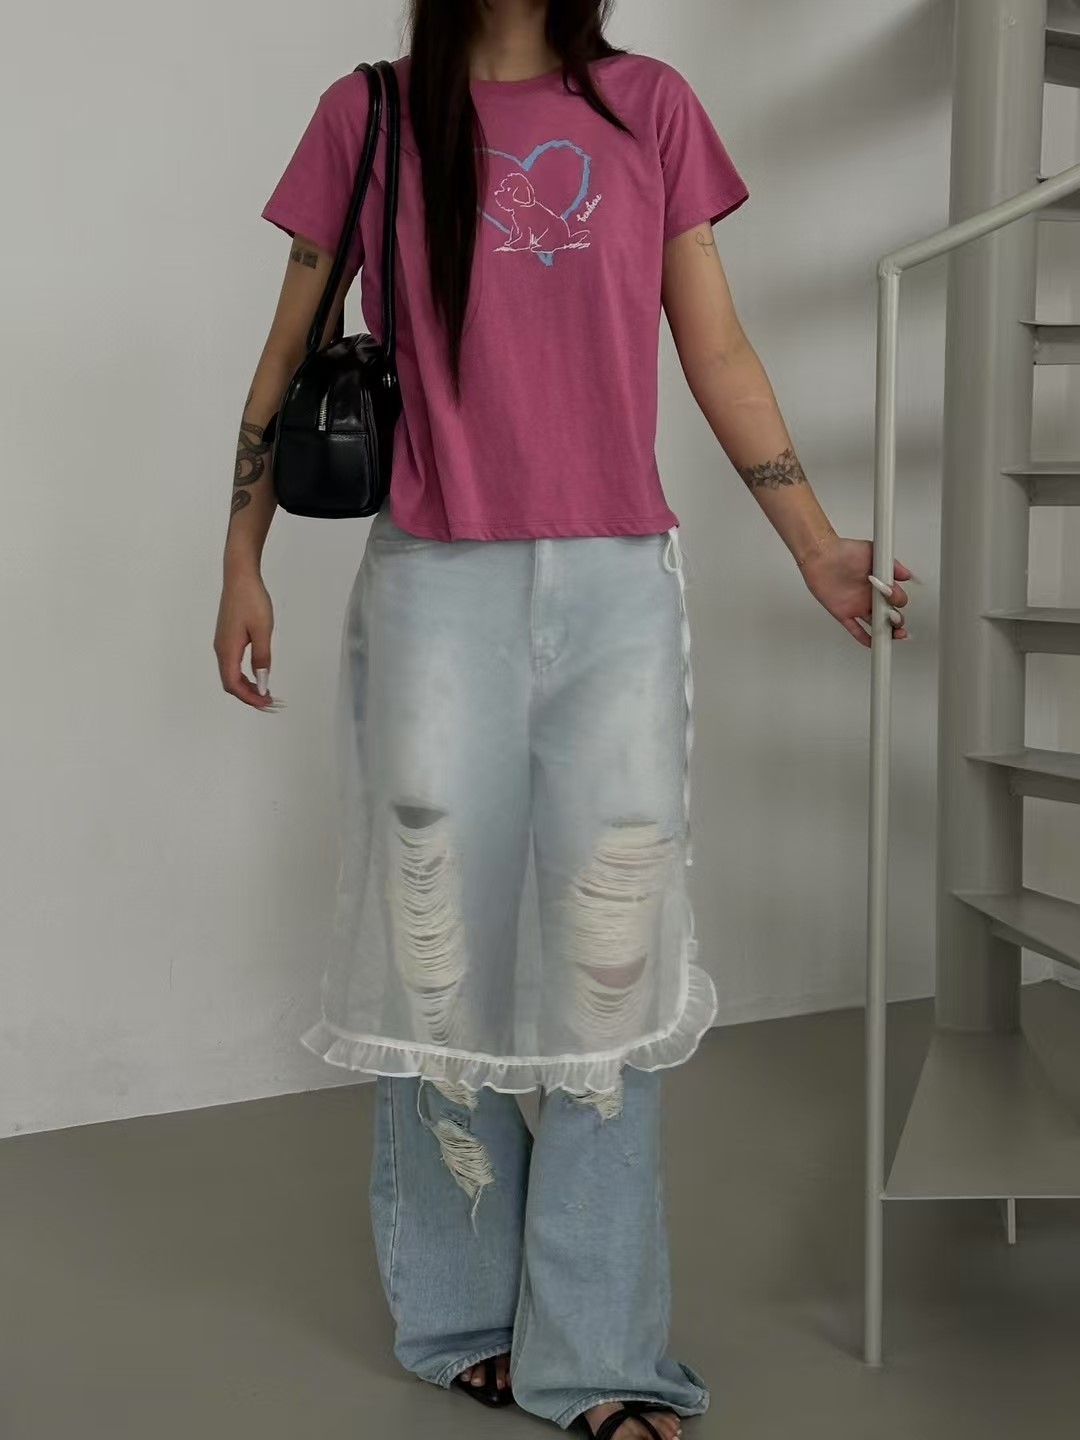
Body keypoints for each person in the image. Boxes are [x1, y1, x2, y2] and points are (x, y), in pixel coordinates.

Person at [214, 2, 911, 1436]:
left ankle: (597, 1357)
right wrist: (240, 557)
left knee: (610, 967)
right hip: (433, 592)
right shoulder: (371, 115)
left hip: (613, 597)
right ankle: (464, 1315)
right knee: (436, 958)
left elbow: (717, 348)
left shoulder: (648, 105)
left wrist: (815, 544)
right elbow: (289, 350)